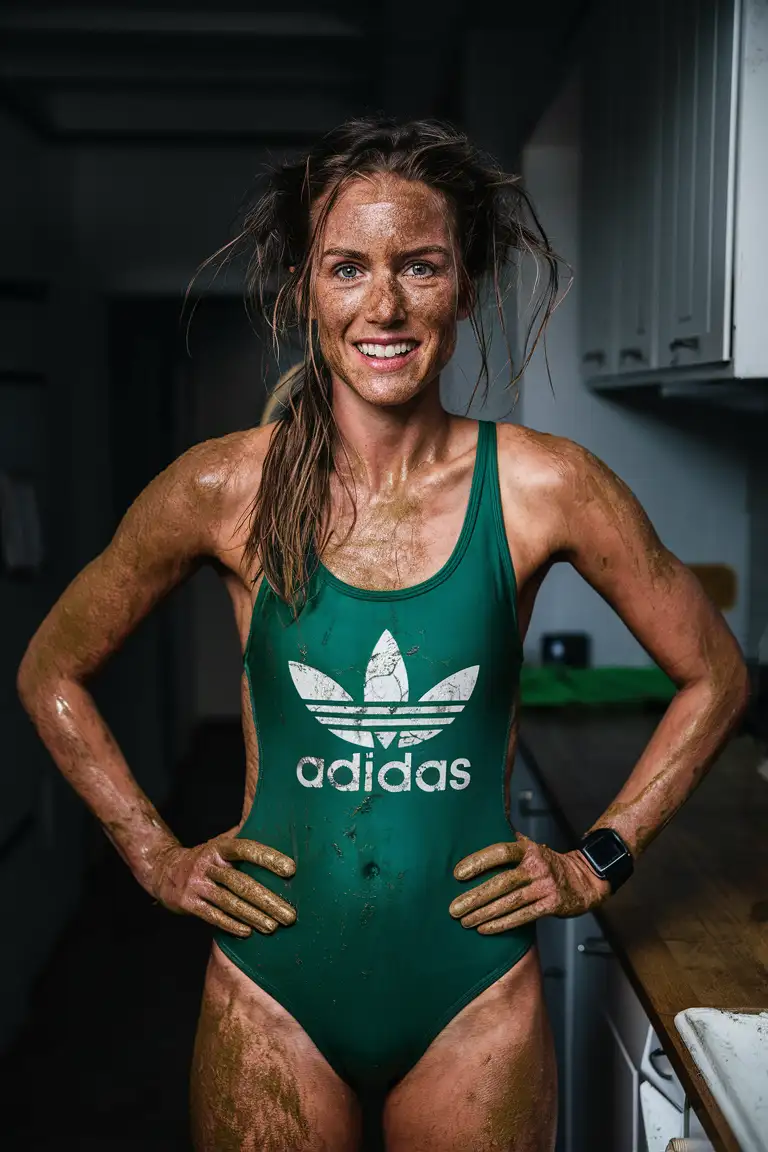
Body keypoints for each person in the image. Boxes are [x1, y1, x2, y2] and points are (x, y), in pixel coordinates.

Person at [17, 117, 749, 1152]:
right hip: (273, 985)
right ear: (306, 287)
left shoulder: (546, 485)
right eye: (348, 268)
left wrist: (597, 861)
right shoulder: (226, 485)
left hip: (472, 998)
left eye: (421, 266)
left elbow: (713, 675)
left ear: (466, 284)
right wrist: (152, 852)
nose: (385, 304)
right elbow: (53, 667)